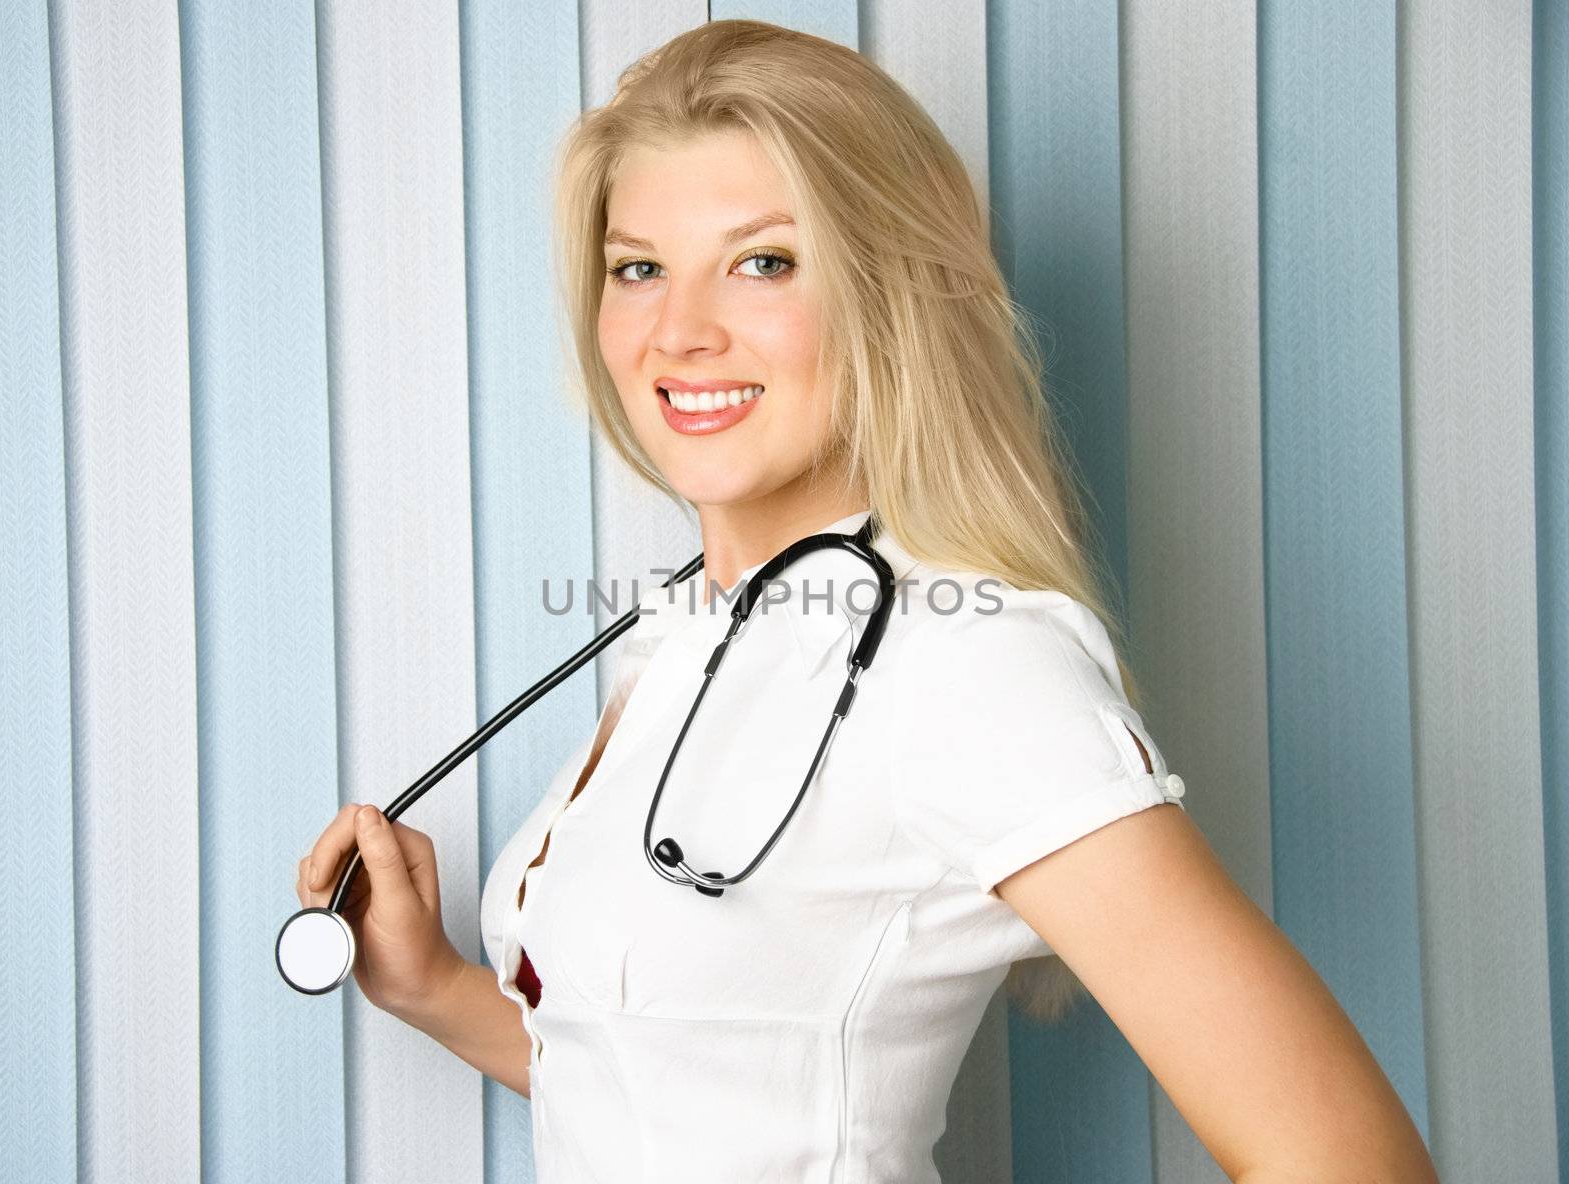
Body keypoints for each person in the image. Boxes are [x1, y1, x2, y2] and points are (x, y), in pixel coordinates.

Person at [294, 19, 1438, 1183]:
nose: (678, 331)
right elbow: (687, 1091)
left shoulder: (967, 661)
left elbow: (1346, 1158)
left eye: (764, 261)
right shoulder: (688, 637)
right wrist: (437, 990)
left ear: (892, 295)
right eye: (638, 267)